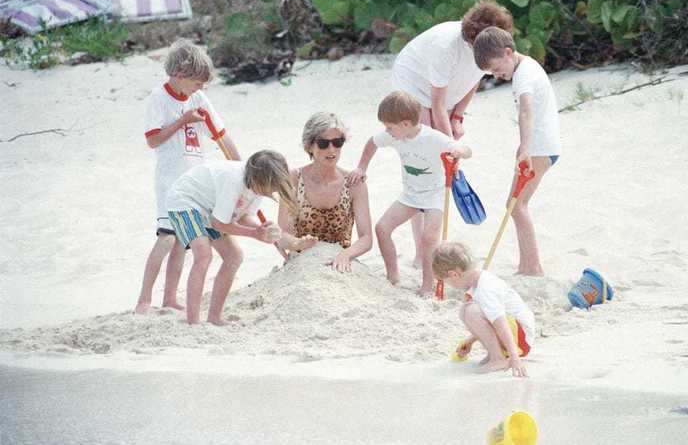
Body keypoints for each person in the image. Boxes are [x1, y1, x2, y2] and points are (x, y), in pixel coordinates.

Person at [390, 0, 513, 268]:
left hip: (443, 95)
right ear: (470, 39)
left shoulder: (489, 48)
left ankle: (429, 246)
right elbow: (434, 105)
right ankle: (422, 254)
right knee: (424, 163)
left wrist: (458, 115)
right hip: (414, 88)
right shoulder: (446, 48)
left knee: (439, 157)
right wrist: (448, 146)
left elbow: (475, 77)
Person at [135, 39, 241, 314]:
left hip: (196, 183)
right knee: (167, 238)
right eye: (197, 82)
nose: (201, 88)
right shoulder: (158, 99)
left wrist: (242, 169)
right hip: (170, 181)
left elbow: (221, 135)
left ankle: (170, 297)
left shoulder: (198, 97)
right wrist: (183, 121)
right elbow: (153, 141)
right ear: (178, 75)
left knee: (184, 241)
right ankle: (144, 299)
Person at [348, 91, 471, 296]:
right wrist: (361, 167)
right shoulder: (394, 136)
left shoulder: (432, 138)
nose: (386, 131)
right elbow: (371, 143)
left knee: (429, 237)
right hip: (410, 195)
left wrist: (459, 152)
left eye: (389, 127)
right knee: (382, 228)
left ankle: (427, 285)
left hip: (435, 195)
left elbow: (466, 149)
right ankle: (393, 275)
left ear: (405, 124)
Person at [473, 26, 562, 277]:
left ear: (508, 53)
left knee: (517, 205)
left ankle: (533, 268)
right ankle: (527, 266)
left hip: (540, 147)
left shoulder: (524, 76)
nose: (498, 75)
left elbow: (526, 110)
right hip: (540, 146)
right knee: (515, 204)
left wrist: (525, 147)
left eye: (498, 69)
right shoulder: (527, 67)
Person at [166, 150, 290, 325]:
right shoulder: (234, 181)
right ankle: (193, 322)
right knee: (203, 254)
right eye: (269, 187)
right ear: (258, 179)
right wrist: (255, 234)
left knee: (234, 256)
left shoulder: (257, 188)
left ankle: (214, 317)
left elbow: (244, 217)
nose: (270, 192)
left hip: (210, 208)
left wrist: (263, 229)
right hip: (185, 200)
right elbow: (219, 223)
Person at [278, 112, 372, 271]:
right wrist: (298, 243)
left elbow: (366, 238)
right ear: (309, 146)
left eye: (338, 142)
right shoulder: (293, 179)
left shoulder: (353, 183)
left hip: (341, 263)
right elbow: (282, 235)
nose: (332, 149)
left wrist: (346, 255)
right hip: (301, 264)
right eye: (323, 143)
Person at [432, 241, 534, 377]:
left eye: (446, 281)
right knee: (466, 311)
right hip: (515, 334)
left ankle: (498, 359)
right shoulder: (477, 282)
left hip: (521, 339)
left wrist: (514, 356)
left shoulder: (485, 289)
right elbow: (489, 319)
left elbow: (500, 322)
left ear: (454, 275)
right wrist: (470, 340)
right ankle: (495, 354)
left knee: (469, 311)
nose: (449, 285)